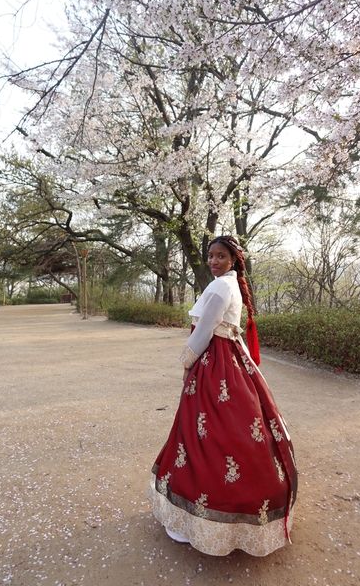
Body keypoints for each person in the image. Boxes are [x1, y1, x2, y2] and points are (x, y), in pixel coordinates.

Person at [149, 235, 297, 556]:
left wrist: (187, 360)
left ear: (233, 260)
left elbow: (205, 331)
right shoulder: (229, 284)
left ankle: (202, 517)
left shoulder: (220, 287)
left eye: (220, 256)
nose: (214, 261)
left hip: (215, 364)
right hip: (227, 360)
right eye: (211, 256)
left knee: (205, 434)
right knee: (220, 431)